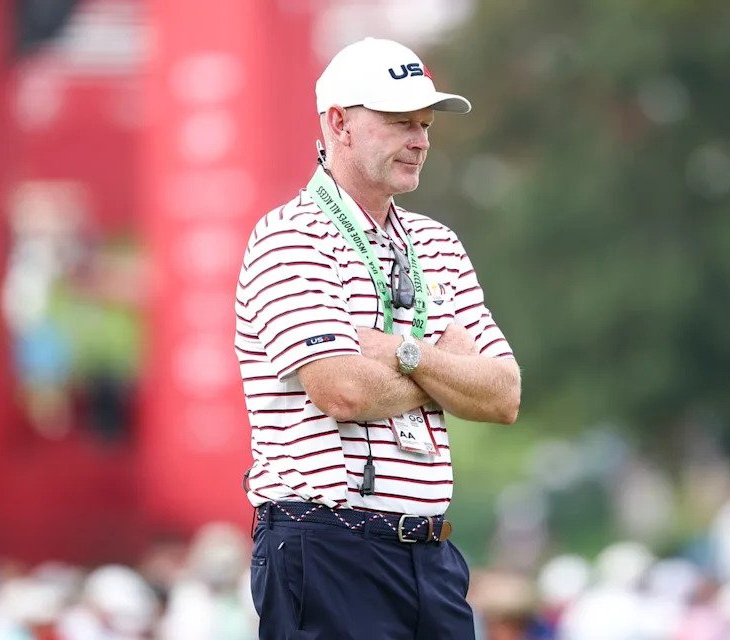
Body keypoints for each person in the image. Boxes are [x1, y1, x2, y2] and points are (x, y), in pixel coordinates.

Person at [235, 37, 521, 639]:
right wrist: (444, 373)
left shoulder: (436, 244)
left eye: (423, 124)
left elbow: (501, 395)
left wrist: (402, 352)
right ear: (338, 123)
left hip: (431, 551)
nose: (419, 139)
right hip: (327, 543)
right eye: (398, 122)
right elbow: (341, 390)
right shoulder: (291, 237)